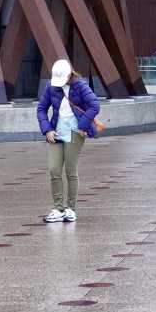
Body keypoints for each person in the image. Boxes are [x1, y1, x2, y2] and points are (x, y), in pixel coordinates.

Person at [38, 59, 101, 222]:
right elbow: (41, 109)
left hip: (75, 131)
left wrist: (83, 125)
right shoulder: (51, 86)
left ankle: (71, 209)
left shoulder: (80, 85)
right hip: (56, 131)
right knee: (54, 170)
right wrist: (47, 130)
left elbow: (94, 105)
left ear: (69, 75)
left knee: (70, 170)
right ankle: (58, 208)